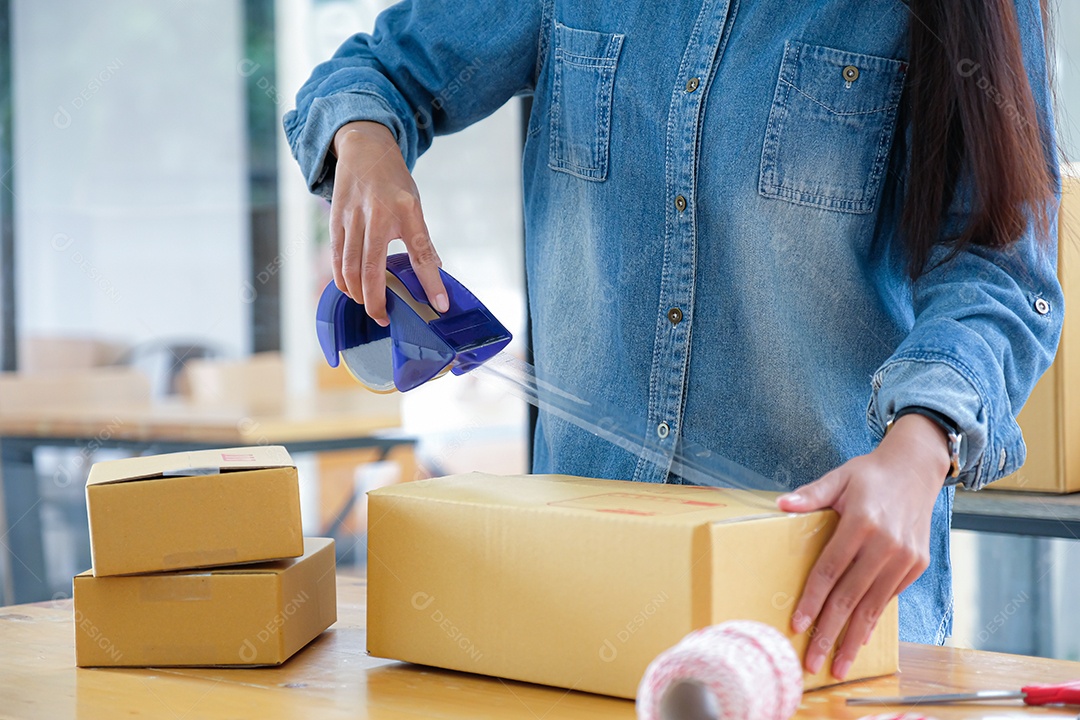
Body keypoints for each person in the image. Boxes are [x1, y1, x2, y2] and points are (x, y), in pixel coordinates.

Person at [284, 0, 1061, 679]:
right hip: (577, 613)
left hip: (822, 616)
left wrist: (922, 445)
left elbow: (1001, 268)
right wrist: (366, 145)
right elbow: (378, 73)